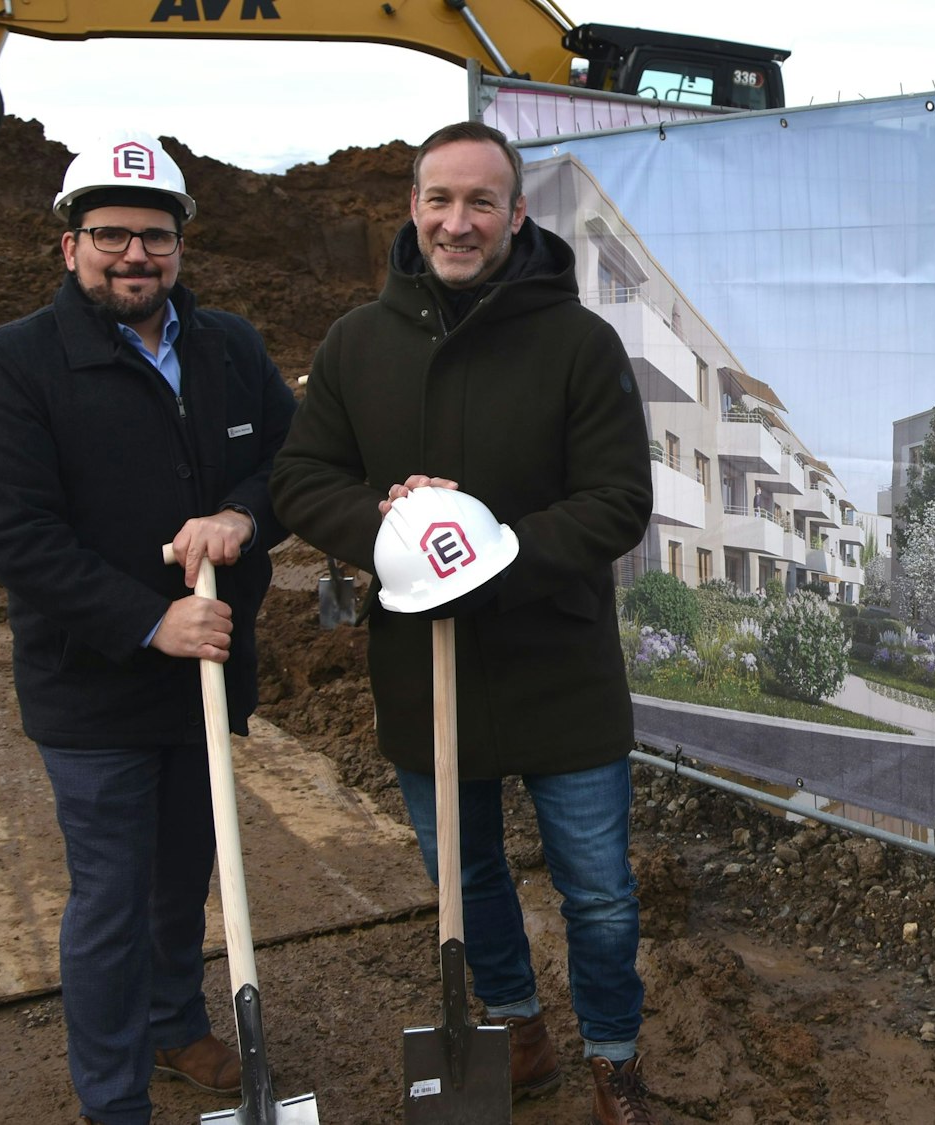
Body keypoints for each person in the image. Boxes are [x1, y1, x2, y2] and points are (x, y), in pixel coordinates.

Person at [269, 121, 658, 1123]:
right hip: (422, 663)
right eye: (438, 199)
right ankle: (517, 1031)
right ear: (411, 210)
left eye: (480, 201)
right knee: (466, 878)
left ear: (516, 215)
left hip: (556, 660)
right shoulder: (359, 343)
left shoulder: (578, 343)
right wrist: (396, 529)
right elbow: (303, 479)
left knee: (600, 891)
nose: (458, 221)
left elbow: (617, 502)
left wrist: (479, 547)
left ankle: (614, 1058)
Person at [0, 132, 294, 1125]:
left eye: (155, 236)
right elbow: (17, 538)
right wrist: (152, 624)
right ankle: (113, 1098)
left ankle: (175, 1025)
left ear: (180, 245)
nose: (134, 256)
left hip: (207, 673)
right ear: (69, 246)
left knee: (181, 874)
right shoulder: (13, 365)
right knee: (108, 900)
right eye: (110, 235)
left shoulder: (228, 345)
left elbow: (288, 460)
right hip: (94, 681)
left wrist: (241, 515)